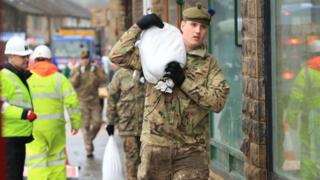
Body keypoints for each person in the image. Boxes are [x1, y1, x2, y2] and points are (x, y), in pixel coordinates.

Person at [109, 3, 229, 180]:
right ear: (182, 26)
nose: (198, 31)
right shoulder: (157, 53)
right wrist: (138, 27)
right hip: (156, 146)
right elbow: (117, 55)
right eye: (193, 25)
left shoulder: (210, 64)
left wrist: (184, 82)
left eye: (203, 27)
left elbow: (217, 102)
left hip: (191, 150)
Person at [25, 45, 81, 179]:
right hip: (55, 127)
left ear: (35, 60)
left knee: (36, 161)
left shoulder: (26, 78)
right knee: (57, 158)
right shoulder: (60, 78)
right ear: (50, 60)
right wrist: (75, 123)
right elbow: (72, 102)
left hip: (33, 127)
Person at [1, 36, 37, 180]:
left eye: (27, 56)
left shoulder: (18, 75)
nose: (27, 59)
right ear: (12, 57)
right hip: (10, 139)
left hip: (17, 137)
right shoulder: (4, 77)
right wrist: (24, 114)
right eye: (23, 56)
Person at [287, 40, 320, 179]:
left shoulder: (306, 73)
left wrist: (291, 118)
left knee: (309, 150)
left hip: (312, 118)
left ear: (310, 54)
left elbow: (296, 99)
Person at [105, 68, 146, 180]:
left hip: (146, 127)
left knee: (146, 160)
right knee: (131, 158)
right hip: (127, 125)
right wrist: (110, 122)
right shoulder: (120, 75)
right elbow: (112, 98)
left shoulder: (148, 71)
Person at [69, 50, 108, 157]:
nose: (84, 61)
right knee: (85, 125)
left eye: (86, 59)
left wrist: (96, 72)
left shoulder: (94, 68)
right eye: (82, 59)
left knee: (97, 122)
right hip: (82, 101)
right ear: (80, 60)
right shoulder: (76, 70)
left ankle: (89, 139)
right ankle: (88, 148)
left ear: (88, 59)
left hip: (94, 100)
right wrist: (77, 74)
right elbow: (72, 84)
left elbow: (104, 79)